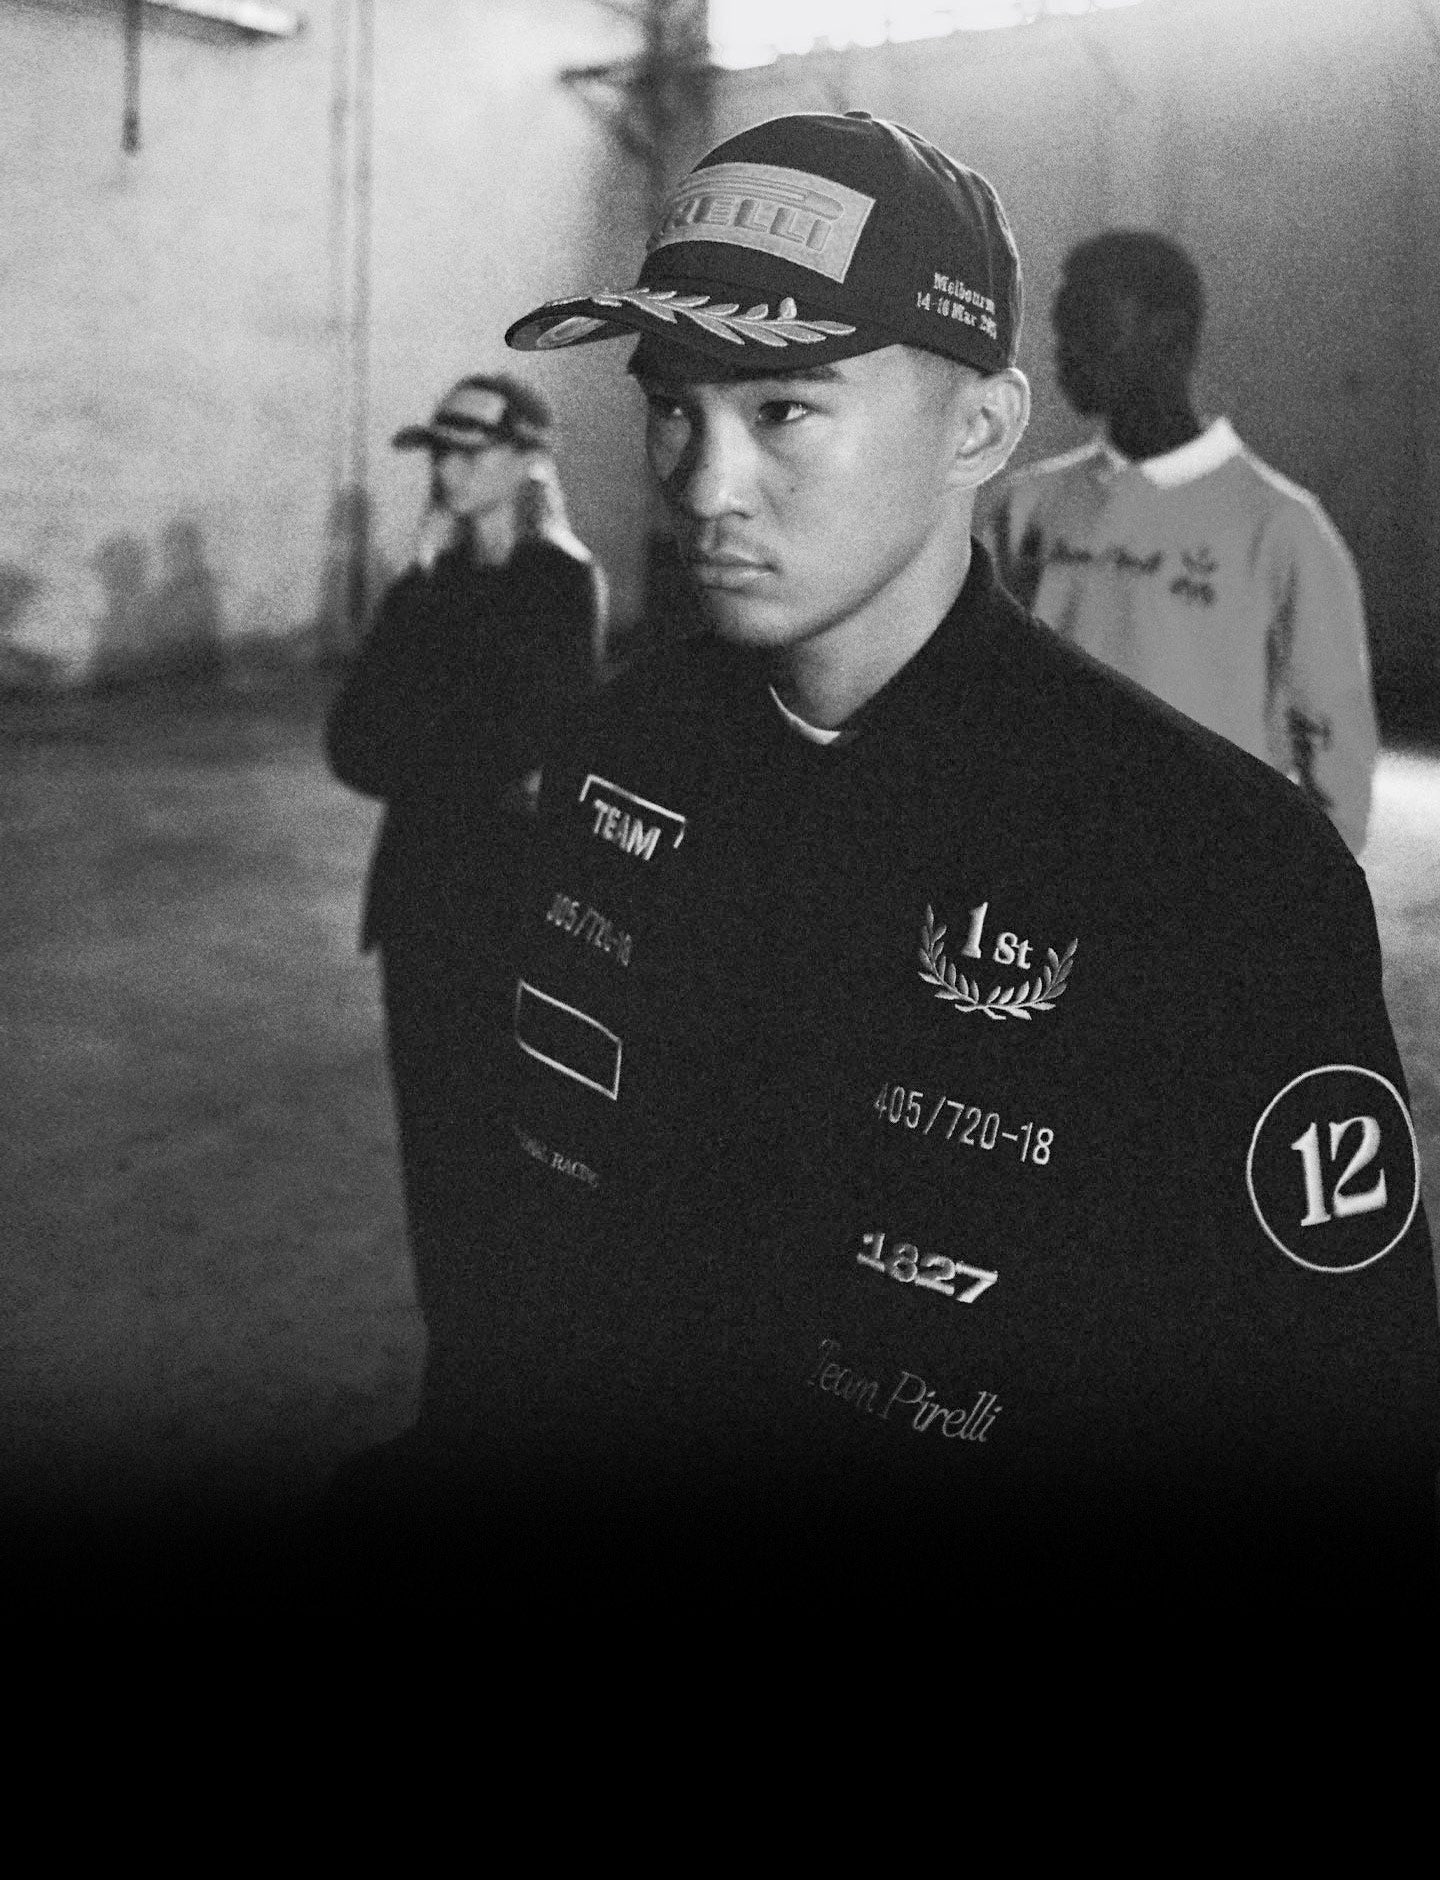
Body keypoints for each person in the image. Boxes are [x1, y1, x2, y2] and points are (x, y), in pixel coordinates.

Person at [350, 114, 1437, 1613]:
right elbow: (553, 1220)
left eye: (786, 410)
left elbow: (1343, 1400)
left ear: (980, 429)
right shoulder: (619, 757)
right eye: (674, 406)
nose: (703, 484)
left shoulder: (1220, 873)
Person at [324, 373, 603, 1426]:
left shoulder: (557, 583)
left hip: (507, 911)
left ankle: (504, 1406)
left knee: (502, 1163)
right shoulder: (425, 581)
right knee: (433, 1166)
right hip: (418, 905)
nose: (447, 469)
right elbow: (350, 740)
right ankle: (456, 1404)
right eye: (437, 450)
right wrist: (458, 752)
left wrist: (437, 744)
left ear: (528, 458)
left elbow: (533, 740)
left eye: (469, 449)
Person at [987, 230, 1379, 854]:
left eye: (1087, 325)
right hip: (1049, 860)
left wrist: (1314, 896)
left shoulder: (1281, 527)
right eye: (1061, 329)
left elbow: (1334, 737)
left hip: (1207, 874)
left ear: (1167, 334)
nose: (1063, 350)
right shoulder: (1026, 506)